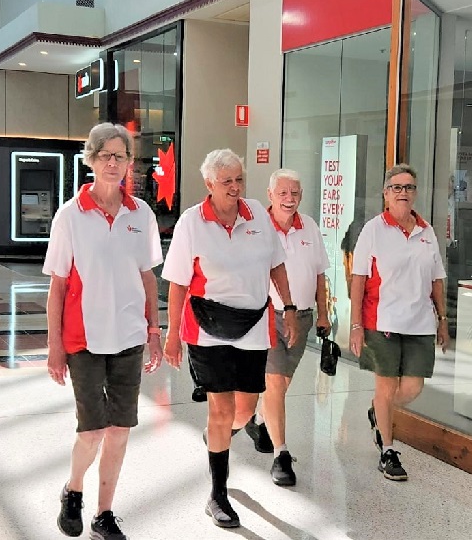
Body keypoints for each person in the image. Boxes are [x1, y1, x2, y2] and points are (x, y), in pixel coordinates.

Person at [162, 149, 297, 529]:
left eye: (239, 179)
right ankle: (218, 493)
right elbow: (177, 282)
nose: (235, 187)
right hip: (207, 326)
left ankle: (220, 434)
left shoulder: (257, 215)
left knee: (243, 410)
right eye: (227, 182)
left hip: (253, 325)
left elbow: (277, 265)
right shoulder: (192, 222)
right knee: (221, 409)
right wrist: (172, 333)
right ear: (209, 184)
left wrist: (288, 307)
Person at [44, 122, 163, 540]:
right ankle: (73, 489)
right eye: (105, 155)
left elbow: (147, 275)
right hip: (84, 339)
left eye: (121, 156)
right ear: (91, 160)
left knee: (119, 430)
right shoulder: (70, 215)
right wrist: (54, 347)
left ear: (130, 162)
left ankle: (104, 513)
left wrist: (154, 329)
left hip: (129, 337)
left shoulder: (141, 214)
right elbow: (57, 285)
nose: (113, 163)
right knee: (92, 430)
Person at [349, 163, 448, 481]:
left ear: (415, 193)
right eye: (397, 188)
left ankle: (379, 410)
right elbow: (359, 279)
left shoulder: (426, 231)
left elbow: (437, 278)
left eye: (409, 188)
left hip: (420, 321)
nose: (403, 193)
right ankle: (387, 451)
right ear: (385, 193)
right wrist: (355, 325)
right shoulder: (373, 230)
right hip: (382, 320)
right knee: (387, 385)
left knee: (412, 387)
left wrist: (443, 319)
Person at [243, 169, 330, 486]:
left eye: (294, 193)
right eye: (283, 193)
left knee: (280, 385)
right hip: (266, 317)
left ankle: (258, 420)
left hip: (302, 318)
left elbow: (320, 274)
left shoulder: (310, 227)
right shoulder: (256, 229)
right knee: (276, 383)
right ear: (270, 195)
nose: (289, 199)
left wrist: (323, 313)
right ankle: (281, 454)